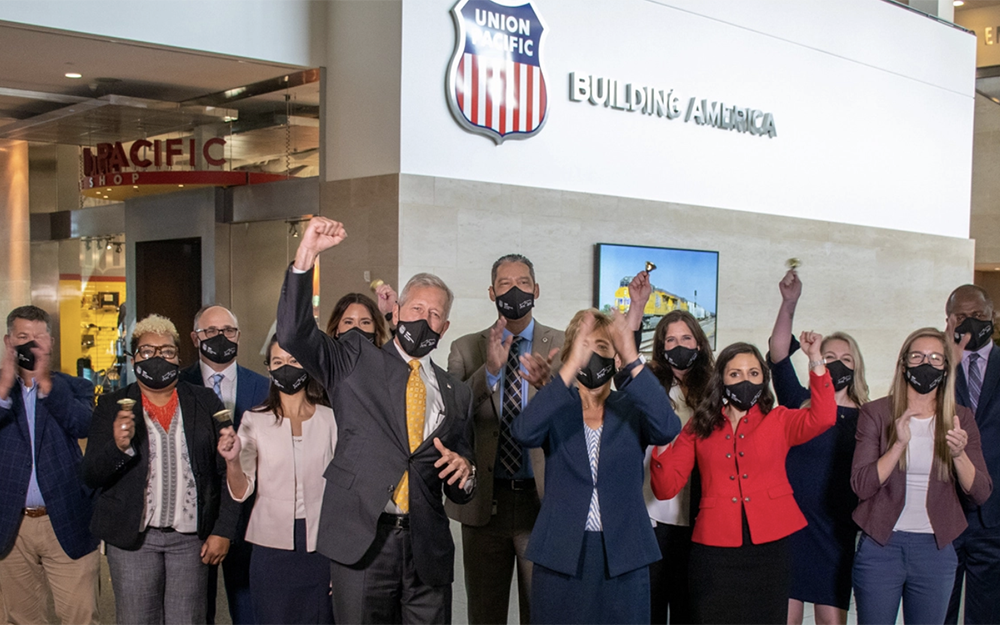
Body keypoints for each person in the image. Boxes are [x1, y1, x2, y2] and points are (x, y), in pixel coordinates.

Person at [277, 216, 476, 625]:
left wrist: (466, 473)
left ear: (446, 326)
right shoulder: (354, 358)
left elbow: (462, 483)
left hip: (428, 550)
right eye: (417, 308)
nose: (426, 319)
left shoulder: (458, 393)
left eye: (436, 314)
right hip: (364, 541)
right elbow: (295, 334)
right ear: (397, 312)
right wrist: (306, 257)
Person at [651, 335, 837, 625]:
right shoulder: (700, 424)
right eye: (735, 374)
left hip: (771, 547)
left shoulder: (780, 419)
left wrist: (816, 360)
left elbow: (823, 417)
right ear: (721, 380)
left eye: (753, 373)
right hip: (714, 550)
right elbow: (665, 489)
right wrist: (661, 447)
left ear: (764, 379)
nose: (745, 380)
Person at [511, 308, 680, 625]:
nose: (593, 355)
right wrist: (570, 365)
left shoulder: (631, 406)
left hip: (624, 554)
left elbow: (668, 427)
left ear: (615, 356)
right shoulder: (558, 405)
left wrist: (630, 355)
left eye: (602, 347)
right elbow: (523, 431)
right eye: (585, 347)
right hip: (561, 555)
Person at [83, 314, 240, 625]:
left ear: (178, 357)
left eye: (167, 352)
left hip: (190, 539)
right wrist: (118, 446)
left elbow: (227, 470)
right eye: (147, 351)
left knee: (188, 619)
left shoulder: (204, 401)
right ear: (133, 358)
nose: (158, 358)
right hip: (133, 539)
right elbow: (90, 475)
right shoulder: (113, 405)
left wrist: (223, 530)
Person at [446, 253, 564, 625]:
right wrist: (490, 372)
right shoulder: (465, 348)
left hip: (540, 502)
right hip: (485, 502)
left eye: (523, 283)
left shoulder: (562, 345)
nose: (515, 291)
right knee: (484, 613)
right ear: (491, 293)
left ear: (537, 290)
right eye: (505, 284)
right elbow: (452, 418)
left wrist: (549, 389)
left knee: (542, 610)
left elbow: (579, 422)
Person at [851, 327, 992, 625]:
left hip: (935, 550)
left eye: (935, 358)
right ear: (904, 364)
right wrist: (898, 444)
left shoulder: (961, 418)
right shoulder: (876, 413)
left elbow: (980, 492)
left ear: (945, 368)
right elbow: (861, 485)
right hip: (881, 547)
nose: (925, 363)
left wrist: (958, 455)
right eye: (917, 356)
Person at [767, 270, 868, 625]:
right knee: (786, 617)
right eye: (829, 356)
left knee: (832, 619)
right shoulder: (799, 402)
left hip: (836, 532)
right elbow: (778, 354)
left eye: (846, 358)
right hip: (792, 526)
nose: (837, 363)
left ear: (856, 369)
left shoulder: (869, 418)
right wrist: (789, 303)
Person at [217, 335, 335, 625]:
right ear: (268, 368)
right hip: (271, 549)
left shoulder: (331, 419)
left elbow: (343, 489)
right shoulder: (254, 420)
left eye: (294, 361)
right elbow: (242, 489)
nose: (286, 368)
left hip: (322, 545)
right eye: (278, 362)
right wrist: (232, 461)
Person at [0, 305, 100, 625]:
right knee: (21, 618)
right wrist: (3, 388)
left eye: (38, 338)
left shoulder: (74, 387)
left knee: (80, 616)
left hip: (68, 519)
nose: (31, 345)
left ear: (51, 343)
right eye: (22, 337)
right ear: (8, 342)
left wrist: (45, 383)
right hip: (11, 525)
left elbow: (83, 424)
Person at [625, 270, 712, 625]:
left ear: (699, 344)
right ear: (660, 346)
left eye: (686, 337)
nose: (679, 345)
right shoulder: (649, 384)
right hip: (652, 516)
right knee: (650, 607)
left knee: (690, 609)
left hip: (699, 518)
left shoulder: (714, 390)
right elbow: (623, 358)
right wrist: (638, 305)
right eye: (671, 339)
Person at [180, 305, 269, 625]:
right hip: (193, 516)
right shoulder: (177, 384)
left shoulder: (263, 387)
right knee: (193, 610)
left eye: (228, 331)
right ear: (195, 338)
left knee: (248, 608)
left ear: (239, 336)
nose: (221, 338)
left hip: (248, 514)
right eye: (211, 332)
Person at [944, 285, 1000, 625]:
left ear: (991, 315)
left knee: (989, 614)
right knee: (938, 611)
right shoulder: (933, 366)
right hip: (945, 510)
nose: (971, 323)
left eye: (978, 315)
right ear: (949, 320)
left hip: (995, 514)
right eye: (962, 317)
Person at [325, 292, 392, 346]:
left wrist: (390, 315)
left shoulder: (385, 360)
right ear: (337, 330)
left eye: (365, 322)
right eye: (348, 322)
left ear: (376, 328)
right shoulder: (326, 360)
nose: (357, 328)